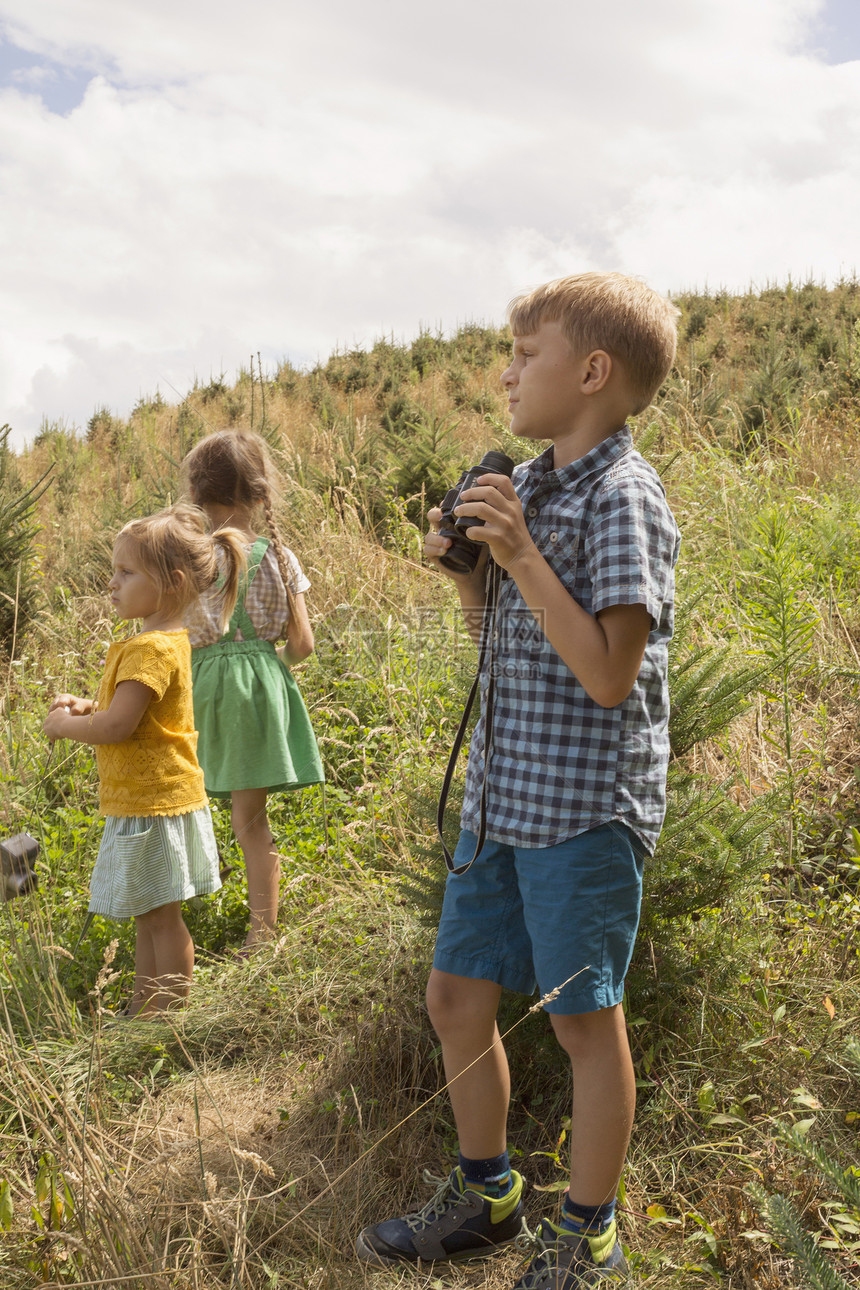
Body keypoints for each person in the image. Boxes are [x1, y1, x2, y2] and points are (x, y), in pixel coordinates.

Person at [356, 272, 682, 1288]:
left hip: (583, 811)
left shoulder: (623, 497)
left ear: (591, 372)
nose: (505, 372)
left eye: (524, 352)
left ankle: (588, 1231)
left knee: (583, 1021)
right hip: (504, 797)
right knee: (455, 996)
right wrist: (472, 576)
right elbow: (501, 644)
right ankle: (487, 1196)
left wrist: (523, 556)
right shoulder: (530, 486)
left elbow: (606, 673)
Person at [43, 505, 247, 1018]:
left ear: (171, 582)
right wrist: (90, 706)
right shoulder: (156, 641)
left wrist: (64, 724)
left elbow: (117, 728)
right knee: (148, 914)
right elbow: (129, 715)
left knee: (161, 919)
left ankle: (167, 1021)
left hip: (154, 803)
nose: (112, 583)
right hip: (148, 801)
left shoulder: (151, 648)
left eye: (126, 573)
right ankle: (145, 1009)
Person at [182, 430, 324, 952]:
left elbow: (172, 632)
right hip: (264, 688)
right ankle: (262, 934)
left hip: (205, 692)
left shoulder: (193, 559)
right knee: (251, 820)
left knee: (187, 800)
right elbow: (303, 644)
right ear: (259, 491)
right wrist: (267, 670)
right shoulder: (282, 558)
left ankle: (178, 917)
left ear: (198, 494)